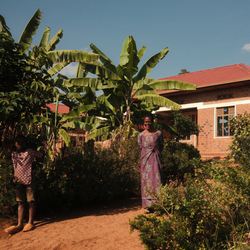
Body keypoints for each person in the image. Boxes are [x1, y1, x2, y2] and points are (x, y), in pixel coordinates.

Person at [2, 124, 43, 234]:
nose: (20, 144)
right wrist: (5, 130)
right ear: (15, 144)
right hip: (18, 180)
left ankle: (30, 222)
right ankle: (20, 224)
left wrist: (35, 164)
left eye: (22, 142)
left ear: (26, 143)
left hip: (29, 178)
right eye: (18, 142)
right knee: (20, 202)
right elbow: (3, 143)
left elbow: (41, 155)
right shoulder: (13, 153)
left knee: (31, 201)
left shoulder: (29, 152)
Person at [138, 115, 163, 212]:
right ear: (143, 123)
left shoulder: (158, 134)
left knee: (157, 181)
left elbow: (161, 146)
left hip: (155, 160)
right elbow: (140, 148)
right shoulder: (141, 135)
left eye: (149, 121)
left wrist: (155, 154)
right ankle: (148, 207)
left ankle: (158, 205)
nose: (147, 123)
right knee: (146, 182)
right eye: (145, 122)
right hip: (145, 162)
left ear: (152, 122)